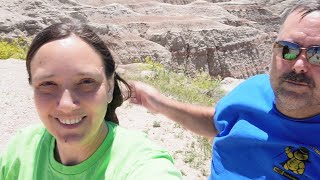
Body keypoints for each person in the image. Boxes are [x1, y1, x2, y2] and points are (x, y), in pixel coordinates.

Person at [130, 2, 320, 179]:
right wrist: (159, 103)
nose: (299, 65)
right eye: (288, 49)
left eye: (317, 54)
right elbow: (216, 123)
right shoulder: (253, 89)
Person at [0, 23, 182, 180]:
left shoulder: (141, 164)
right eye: (48, 84)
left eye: (86, 82)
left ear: (110, 87)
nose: (66, 104)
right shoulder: (21, 149)